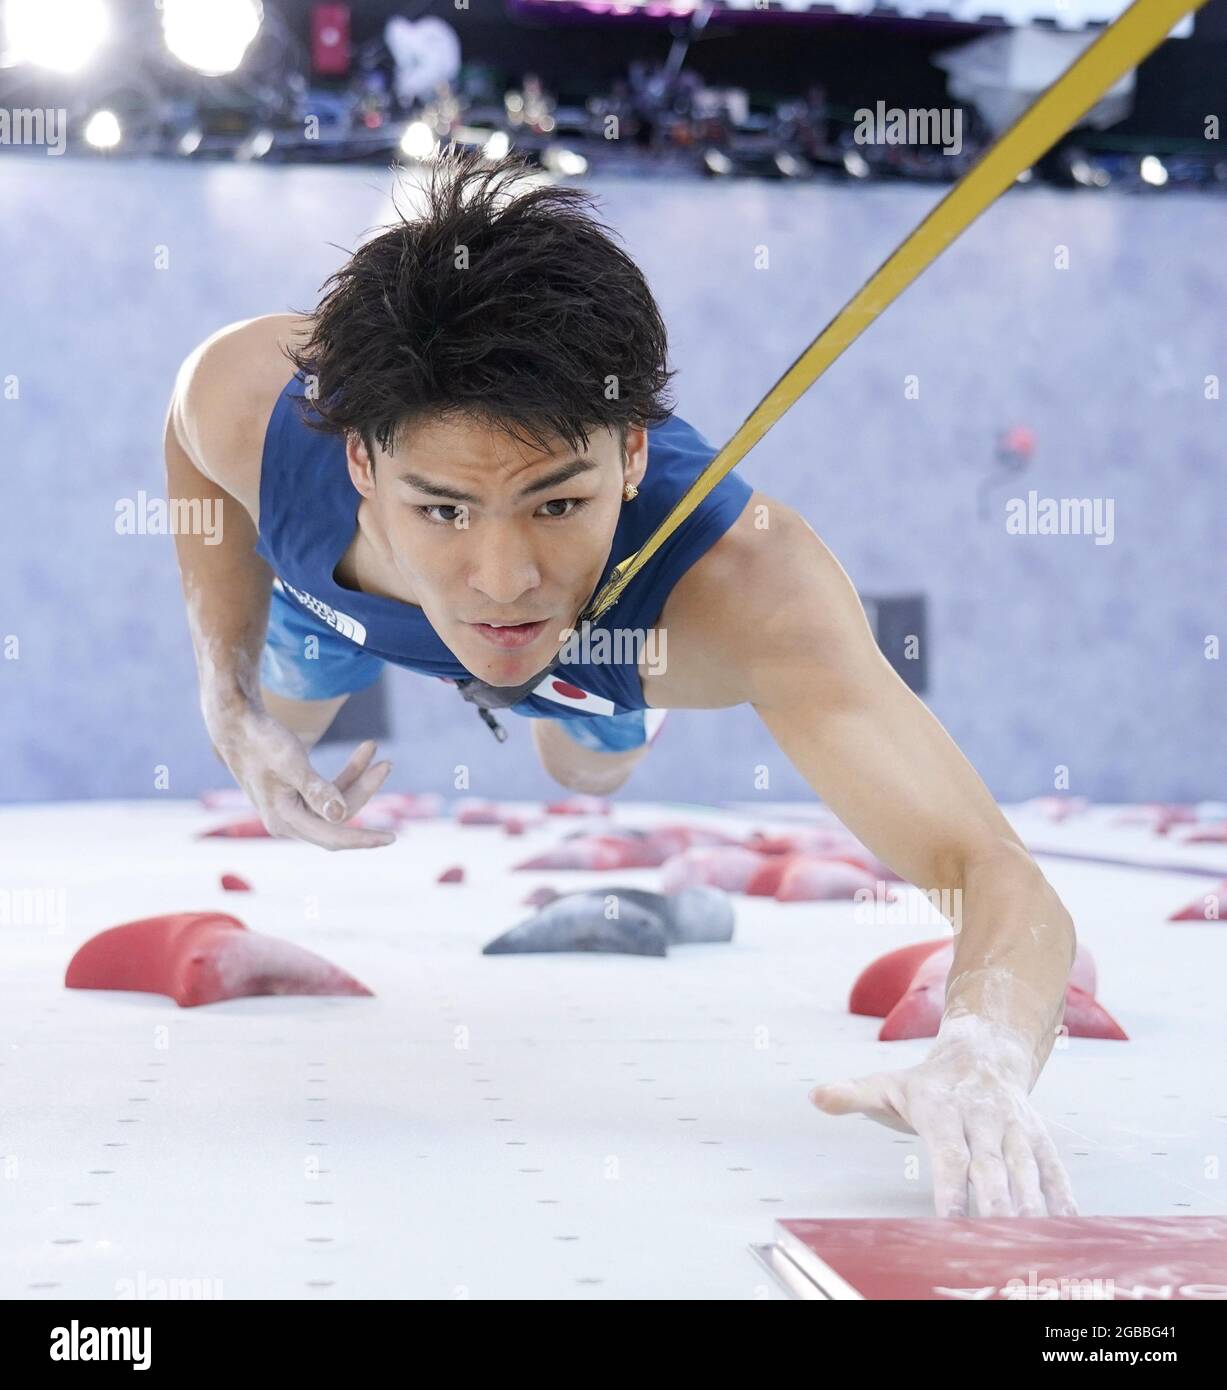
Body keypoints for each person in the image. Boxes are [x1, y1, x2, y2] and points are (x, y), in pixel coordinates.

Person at [165, 149, 1078, 1220]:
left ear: (633, 452)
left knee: (587, 768)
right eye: (445, 508)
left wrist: (983, 1048)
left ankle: (593, 718)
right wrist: (223, 696)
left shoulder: (747, 591)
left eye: (557, 503)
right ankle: (321, 658)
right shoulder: (247, 398)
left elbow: (996, 871)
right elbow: (187, 452)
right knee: (285, 716)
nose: (503, 580)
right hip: (336, 603)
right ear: (362, 462)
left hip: (605, 657)